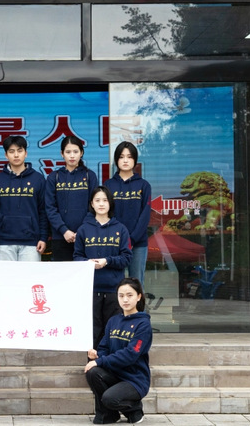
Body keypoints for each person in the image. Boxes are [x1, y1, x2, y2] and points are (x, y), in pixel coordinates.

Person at [84, 277, 152, 425]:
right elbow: (104, 347)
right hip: (114, 374)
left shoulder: (143, 324)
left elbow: (130, 355)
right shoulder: (113, 321)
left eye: (129, 295)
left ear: (138, 296)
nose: (125, 299)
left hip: (134, 379)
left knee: (110, 398)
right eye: (121, 296)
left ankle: (135, 409)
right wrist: (97, 355)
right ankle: (107, 415)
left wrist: (100, 361)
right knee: (92, 372)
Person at [74, 186, 133, 348]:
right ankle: (93, 362)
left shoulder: (120, 229)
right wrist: (88, 263)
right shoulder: (83, 230)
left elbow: (127, 258)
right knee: (93, 332)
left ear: (110, 203)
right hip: (91, 289)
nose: (101, 204)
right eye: (97, 200)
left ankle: (112, 361)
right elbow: (77, 257)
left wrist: (107, 261)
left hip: (114, 290)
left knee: (114, 332)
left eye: (105, 200)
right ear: (92, 204)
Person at [0, 135, 48, 261]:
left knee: (30, 274)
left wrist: (43, 238)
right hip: (4, 242)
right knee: (6, 274)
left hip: (31, 242)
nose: (16, 155)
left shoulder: (38, 179)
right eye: (11, 151)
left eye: (19, 151)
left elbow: (43, 211)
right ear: (6, 155)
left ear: (26, 153)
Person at [104, 141, 152, 285]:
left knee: (136, 283)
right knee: (114, 283)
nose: (125, 160)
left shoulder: (144, 185)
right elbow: (106, 214)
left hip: (138, 244)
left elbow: (145, 215)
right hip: (114, 242)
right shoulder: (108, 185)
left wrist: (132, 240)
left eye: (129, 157)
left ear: (135, 160)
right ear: (116, 160)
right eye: (121, 157)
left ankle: (138, 303)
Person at [45, 135, 99, 261]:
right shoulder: (54, 177)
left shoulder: (90, 176)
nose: (72, 156)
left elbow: (94, 206)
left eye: (75, 151)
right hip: (60, 237)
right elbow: (50, 207)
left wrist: (82, 230)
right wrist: (64, 230)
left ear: (82, 153)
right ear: (62, 154)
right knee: (63, 272)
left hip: (86, 236)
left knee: (84, 271)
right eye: (68, 152)